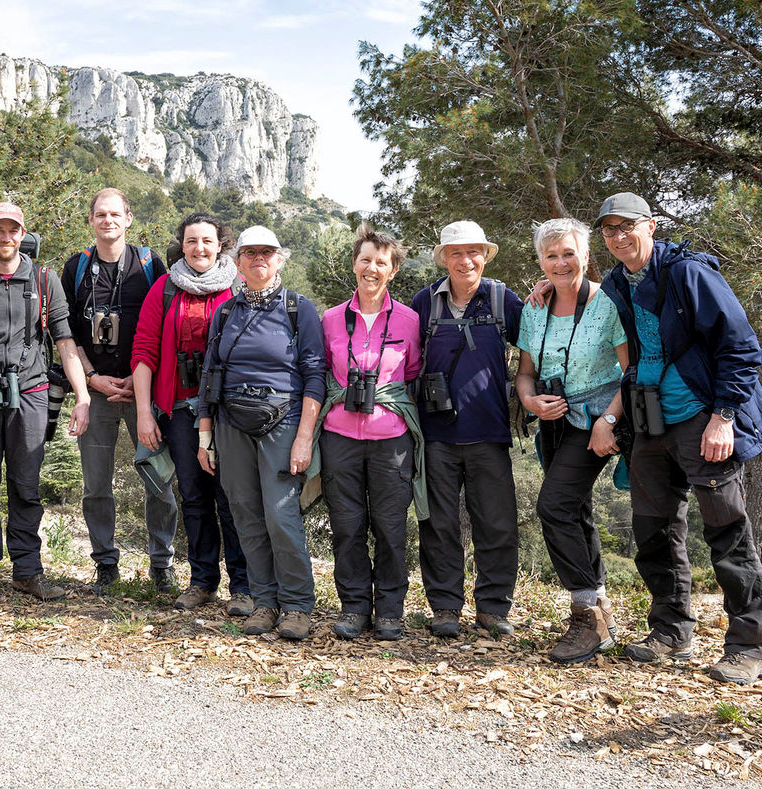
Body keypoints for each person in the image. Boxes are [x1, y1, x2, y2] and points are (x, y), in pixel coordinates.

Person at [595, 193, 762, 685]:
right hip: (650, 418)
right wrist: (542, 291)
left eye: (626, 226)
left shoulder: (689, 273)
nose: (617, 236)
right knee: (653, 530)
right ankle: (671, 631)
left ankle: (750, 645)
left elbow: (741, 347)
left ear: (650, 225)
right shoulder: (615, 283)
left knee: (726, 530)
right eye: (608, 230)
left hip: (702, 415)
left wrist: (724, 417)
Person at [0, 203, 91, 611]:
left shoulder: (44, 280)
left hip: (30, 392)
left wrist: (81, 397)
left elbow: (65, 343)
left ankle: (28, 571)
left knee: (26, 487)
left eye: (13, 230)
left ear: (22, 233)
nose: (5, 237)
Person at [197, 226, 325, 640]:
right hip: (231, 423)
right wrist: (205, 435)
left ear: (280, 259)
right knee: (246, 515)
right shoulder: (225, 312)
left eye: (266, 253)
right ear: (236, 263)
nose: (258, 259)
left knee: (281, 515)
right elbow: (208, 375)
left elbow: (315, 374)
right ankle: (264, 601)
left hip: (283, 422)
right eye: (249, 253)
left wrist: (305, 436)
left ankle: (298, 606)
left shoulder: (298, 308)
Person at [514, 218, 628, 663]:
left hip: (596, 422)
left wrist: (610, 419)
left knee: (554, 505)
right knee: (575, 508)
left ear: (585, 255)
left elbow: (631, 371)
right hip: (553, 422)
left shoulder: (608, 304)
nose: (561, 262)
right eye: (551, 255)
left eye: (568, 253)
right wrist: (531, 403)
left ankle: (585, 614)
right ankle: (600, 610)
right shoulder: (534, 308)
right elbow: (525, 373)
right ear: (541, 261)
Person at [131, 212, 252, 615]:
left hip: (228, 411)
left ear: (221, 244)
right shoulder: (165, 289)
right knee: (193, 495)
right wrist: (145, 415)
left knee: (231, 496)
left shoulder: (239, 287)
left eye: (206, 241)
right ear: (181, 245)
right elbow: (144, 351)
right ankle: (202, 580)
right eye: (191, 241)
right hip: (179, 410)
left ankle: (244, 584)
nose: (199, 248)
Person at [61, 188, 178, 594]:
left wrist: (139, 378)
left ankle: (162, 565)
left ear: (129, 219)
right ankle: (105, 564)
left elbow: (166, 329)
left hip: (141, 390)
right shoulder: (75, 268)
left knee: (159, 479)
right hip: (97, 389)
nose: (107, 220)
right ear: (90, 220)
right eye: (100, 214)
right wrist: (91, 379)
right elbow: (68, 335)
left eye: (115, 214)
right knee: (96, 485)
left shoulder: (150, 266)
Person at [410, 220, 523, 640]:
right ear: (444, 259)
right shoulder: (425, 302)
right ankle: (444, 606)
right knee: (438, 524)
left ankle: (493, 608)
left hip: (490, 432)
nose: (465, 260)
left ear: (485, 256)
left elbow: (535, 341)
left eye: (473, 251)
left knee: (496, 523)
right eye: (456, 253)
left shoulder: (500, 298)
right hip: (435, 435)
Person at [316, 225, 423, 641]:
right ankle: (355, 607)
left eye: (381, 262)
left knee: (391, 527)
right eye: (365, 260)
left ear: (393, 269)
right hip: (339, 435)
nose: (372, 268)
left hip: (392, 440)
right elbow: (321, 373)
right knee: (346, 525)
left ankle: (391, 610)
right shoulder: (329, 320)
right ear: (354, 264)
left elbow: (411, 375)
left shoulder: (410, 320)